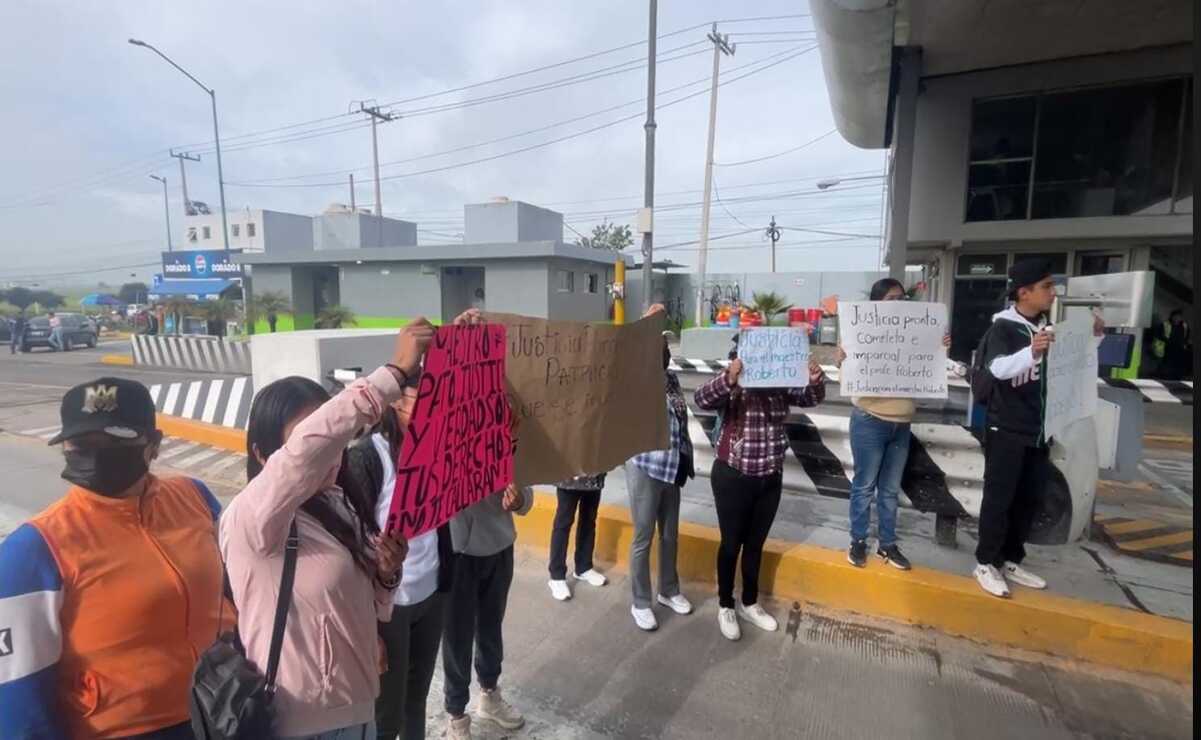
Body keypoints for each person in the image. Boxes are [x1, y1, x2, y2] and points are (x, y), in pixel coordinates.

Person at [219, 322, 428, 739]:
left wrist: (387, 573)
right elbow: (308, 450)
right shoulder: (252, 521)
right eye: (316, 440)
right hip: (301, 722)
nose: (331, 453)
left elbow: (366, 606)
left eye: (337, 441)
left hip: (356, 707)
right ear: (264, 455)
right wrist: (393, 374)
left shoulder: (335, 504)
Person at [0, 377, 228, 739]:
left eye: (115, 439)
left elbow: (238, 591)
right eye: (82, 443)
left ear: (154, 445)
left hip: (225, 712)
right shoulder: (33, 550)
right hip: (126, 730)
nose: (97, 452)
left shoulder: (194, 498)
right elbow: (18, 703)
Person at [973, 259, 1104, 598]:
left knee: (1027, 500)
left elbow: (1070, 366)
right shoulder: (1002, 330)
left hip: (1038, 430)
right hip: (1006, 429)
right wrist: (1030, 353)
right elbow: (997, 368)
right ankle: (986, 562)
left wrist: (1095, 340)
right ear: (1024, 292)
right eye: (1046, 286)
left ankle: (1010, 558)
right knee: (999, 500)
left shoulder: (1049, 328)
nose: (1052, 293)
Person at [695, 335, 827, 641]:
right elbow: (702, 399)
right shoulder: (734, 378)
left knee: (755, 545)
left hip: (770, 476)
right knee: (731, 545)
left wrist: (815, 380)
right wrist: (730, 377)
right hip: (732, 474)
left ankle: (749, 602)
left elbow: (810, 397)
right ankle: (726, 604)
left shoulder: (781, 380)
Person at [344, 394, 455, 740]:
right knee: (386, 713)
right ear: (395, 403)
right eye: (417, 402)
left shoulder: (439, 450)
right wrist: (369, 628)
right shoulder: (369, 457)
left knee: (415, 699)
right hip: (389, 609)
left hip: (432, 593)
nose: (427, 412)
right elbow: (350, 545)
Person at [835, 278, 952, 571]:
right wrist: (842, 362)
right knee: (864, 486)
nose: (900, 302)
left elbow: (928, 370)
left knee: (889, 490)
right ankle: (858, 541)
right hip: (870, 420)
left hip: (902, 423)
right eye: (892, 298)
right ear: (876, 305)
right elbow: (847, 380)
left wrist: (938, 348)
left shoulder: (916, 333)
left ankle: (887, 545)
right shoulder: (860, 334)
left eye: (903, 297)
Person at [441, 480, 534, 740]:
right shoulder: (439, 443)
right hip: (457, 552)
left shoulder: (507, 441)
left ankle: (490, 695)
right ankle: (456, 714)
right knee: (457, 636)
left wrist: (520, 499)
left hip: (500, 545)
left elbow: (526, 486)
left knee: (491, 627)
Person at [624, 305, 695, 632]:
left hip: (672, 467)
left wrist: (686, 460)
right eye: (657, 345)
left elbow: (680, 422)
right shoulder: (635, 378)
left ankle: (668, 589)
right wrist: (644, 325)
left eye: (665, 345)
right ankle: (640, 601)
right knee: (643, 536)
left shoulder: (671, 379)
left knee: (669, 535)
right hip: (645, 467)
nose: (663, 350)